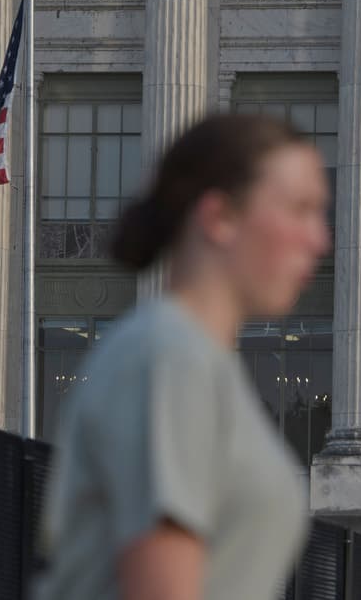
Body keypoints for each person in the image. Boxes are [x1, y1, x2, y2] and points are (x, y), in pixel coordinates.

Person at [34, 113, 331, 600]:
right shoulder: (171, 357)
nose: (320, 239)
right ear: (219, 217)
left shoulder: (191, 359)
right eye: (300, 210)